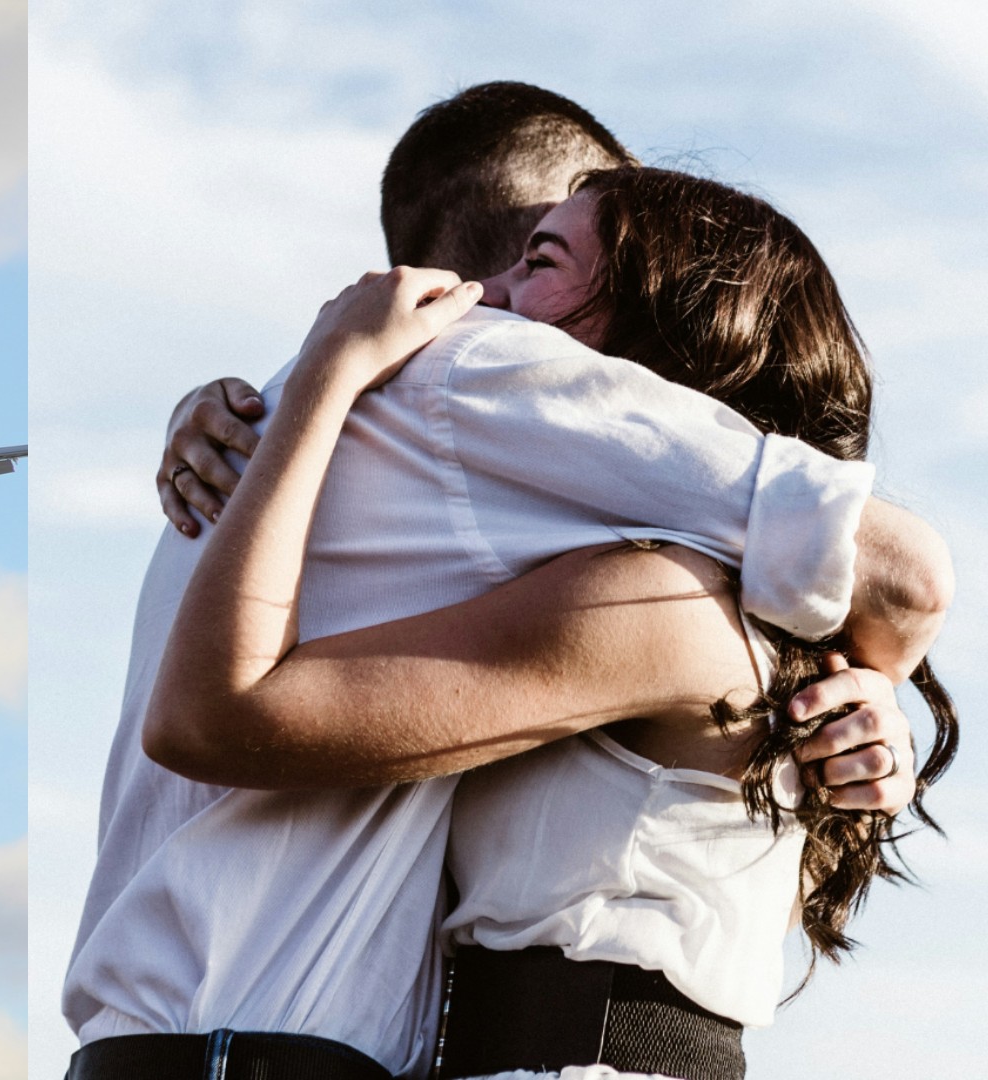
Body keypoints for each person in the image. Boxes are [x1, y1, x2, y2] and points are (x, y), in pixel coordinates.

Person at [62, 83, 948, 1080]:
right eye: (535, 252)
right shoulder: (464, 417)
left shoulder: (664, 598)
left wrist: (867, 684)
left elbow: (901, 578)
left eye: (548, 267)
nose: (490, 311)